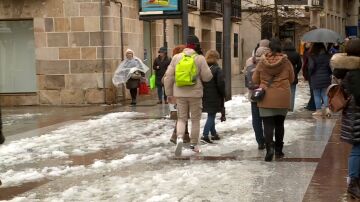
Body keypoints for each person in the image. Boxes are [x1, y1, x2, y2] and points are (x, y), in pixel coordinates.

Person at [164, 35, 213, 156]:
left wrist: (169, 93)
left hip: (180, 93)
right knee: (195, 120)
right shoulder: (200, 58)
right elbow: (208, 77)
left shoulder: (176, 57)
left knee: (181, 118)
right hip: (195, 94)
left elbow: (168, 76)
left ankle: (179, 138)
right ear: (196, 45)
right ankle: (194, 144)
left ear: (186, 45)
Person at [252, 38, 295, 162]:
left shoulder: (262, 62)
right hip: (282, 97)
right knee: (279, 124)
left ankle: (269, 149)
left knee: (268, 125)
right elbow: (292, 79)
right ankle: (279, 150)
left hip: (266, 97)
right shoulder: (286, 62)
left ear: (269, 48)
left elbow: (255, 80)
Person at [331, 39, 360, 199]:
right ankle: (353, 183)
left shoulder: (344, 68)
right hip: (357, 115)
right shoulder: (355, 71)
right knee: (357, 148)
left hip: (351, 114)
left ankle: (355, 180)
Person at [245, 39, 270, 150]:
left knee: (256, 119)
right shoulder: (270, 60)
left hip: (254, 94)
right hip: (267, 93)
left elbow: (246, 75)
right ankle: (268, 139)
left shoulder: (250, 60)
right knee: (267, 119)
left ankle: (260, 141)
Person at [201, 50, 225, 144]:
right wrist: (223, 93)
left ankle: (214, 133)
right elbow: (221, 83)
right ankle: (205, 135)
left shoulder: (204, 68)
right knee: (211, 115)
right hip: (214, 95)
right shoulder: (217, 69)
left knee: (211, 114)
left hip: (204, 94)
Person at [169, 44, 190, 145]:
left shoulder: (173, 63)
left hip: (175, 93)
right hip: (184, 93)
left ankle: (186, 135)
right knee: (182, 115)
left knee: (182, 115)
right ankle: (175, 135)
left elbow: (166, 79)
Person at [308, 43, 332, 117]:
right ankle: (327, 109)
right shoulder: (327, 56)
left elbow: (311, 67)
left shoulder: (312, 56)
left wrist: (310, 73)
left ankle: (318, 111)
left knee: (316, 95)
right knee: (325, 94)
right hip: (326, 77)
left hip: (315, 78)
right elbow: (330, 67)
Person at [282, 39, 302, 111]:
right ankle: (290, 107)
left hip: (283, 74)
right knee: (292, 91)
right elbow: (299, 64)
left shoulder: (282, 53)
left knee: (283, 91)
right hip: (293, 73)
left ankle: (284, 106)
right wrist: (296, 71)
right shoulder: (296, 54)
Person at [302, 43, 316, 111]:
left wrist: (308, 74)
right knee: (313, 90)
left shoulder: (310, 53)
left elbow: (310, 66)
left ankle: (312, 105)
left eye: (309, 43)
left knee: (313, 90)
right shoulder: (306, 52)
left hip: (311, 74)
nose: (307, 44)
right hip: (309, 73)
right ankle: (311, 105)